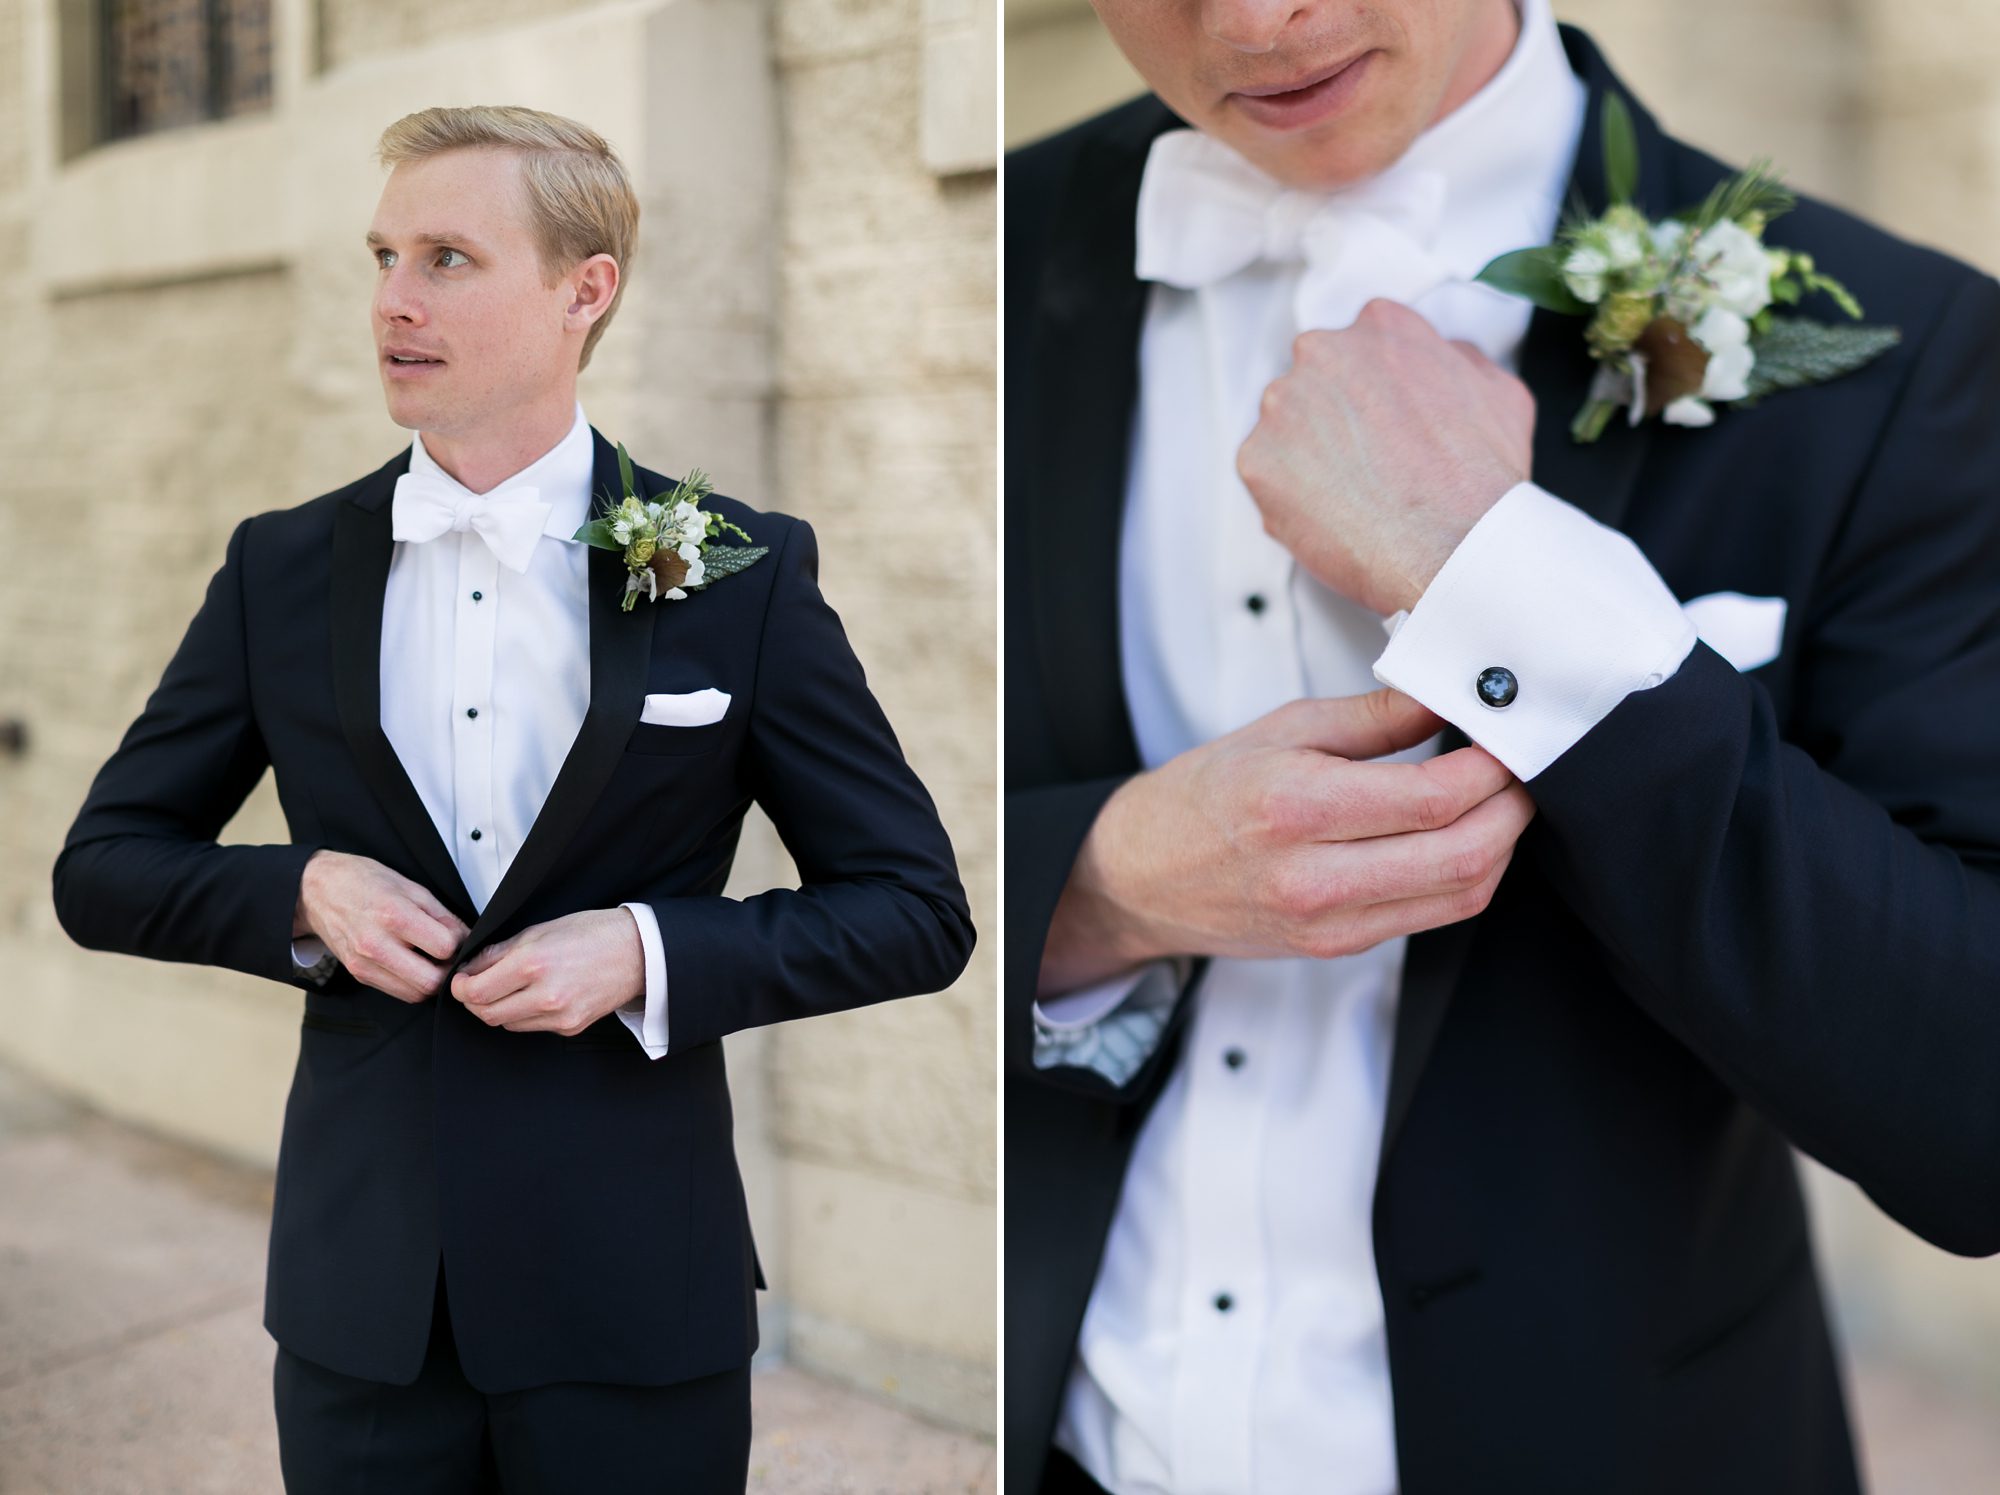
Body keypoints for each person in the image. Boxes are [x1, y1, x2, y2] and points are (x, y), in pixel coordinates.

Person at [1004, 0, 2000, 1490]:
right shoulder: (994, 259)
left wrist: (1503, 580)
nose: (1260, 20)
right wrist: (1091, 890)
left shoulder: (1900, 346)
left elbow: (1970, 1104)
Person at [52, 105, 974, 1493]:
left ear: (582, 290)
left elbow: (916, 909)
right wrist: (298, 890)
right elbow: (102, 865)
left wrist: (650, 952)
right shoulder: (283, 567)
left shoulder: (723, 563)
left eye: (446, 259)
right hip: (366, 1310)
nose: (392, 302)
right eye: (381, 257)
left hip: (634, 1296)